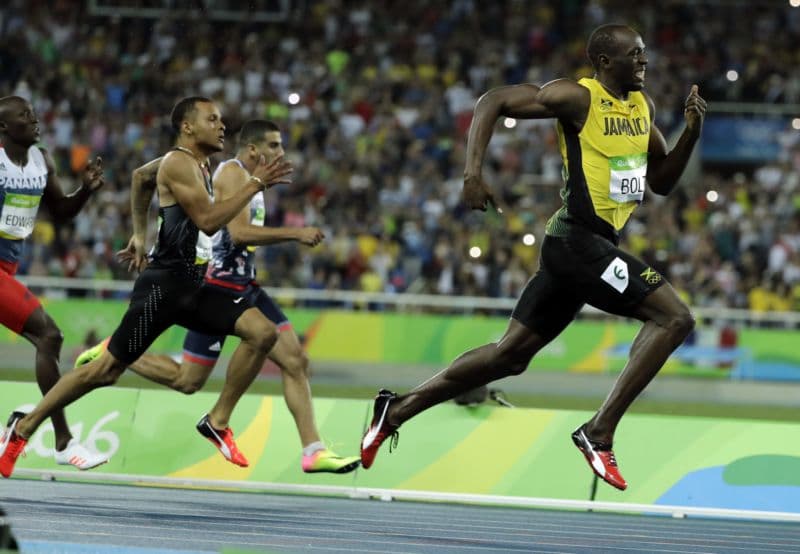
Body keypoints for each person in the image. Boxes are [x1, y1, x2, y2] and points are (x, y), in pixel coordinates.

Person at [359, 24, 706, 491]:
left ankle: (396, 409)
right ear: (605, 62)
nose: (644, 61)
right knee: (674, 319)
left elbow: (660, 180)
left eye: (644, 53)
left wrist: (691, 133)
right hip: (576, 241)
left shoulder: (642, 108)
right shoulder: (576, 97)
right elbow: (492, 102)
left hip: (591, 247)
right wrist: (472, 174)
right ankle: (598, 432)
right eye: (635, 54)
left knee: (510, 356)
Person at [0, 96, 293, 478]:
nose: (222, 126)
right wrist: (255, 183)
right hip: (163, 290)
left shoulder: (199, 163)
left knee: (261, 332)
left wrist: (139, 235)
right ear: (188, 127)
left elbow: (140, 177)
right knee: (104, 372)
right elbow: (207, 221)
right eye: (212, 119)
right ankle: (23, 428)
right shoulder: (177, 163)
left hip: (194, 287)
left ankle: (217, 423)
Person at [77, 120, 360, 473]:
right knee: (188, 381)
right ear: (254, 149)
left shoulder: (252, 181)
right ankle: (115, 349)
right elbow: (239, 233)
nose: (281, 152)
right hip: (217, 286)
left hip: (246, 285)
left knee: (295, 361)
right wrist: (295, 233)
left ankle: (312, 450)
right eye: (274, 145)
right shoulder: (230, 173)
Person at [0, 95, 108, 470]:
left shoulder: (41, 160)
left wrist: (85, 193)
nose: (34, 120)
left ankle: (17, 425)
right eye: (24, 116)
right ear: (3, 128)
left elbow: (60, 212)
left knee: (46, 339)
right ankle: (62, 441)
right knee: (50, 335)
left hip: (7, 269)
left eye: (33, 113)